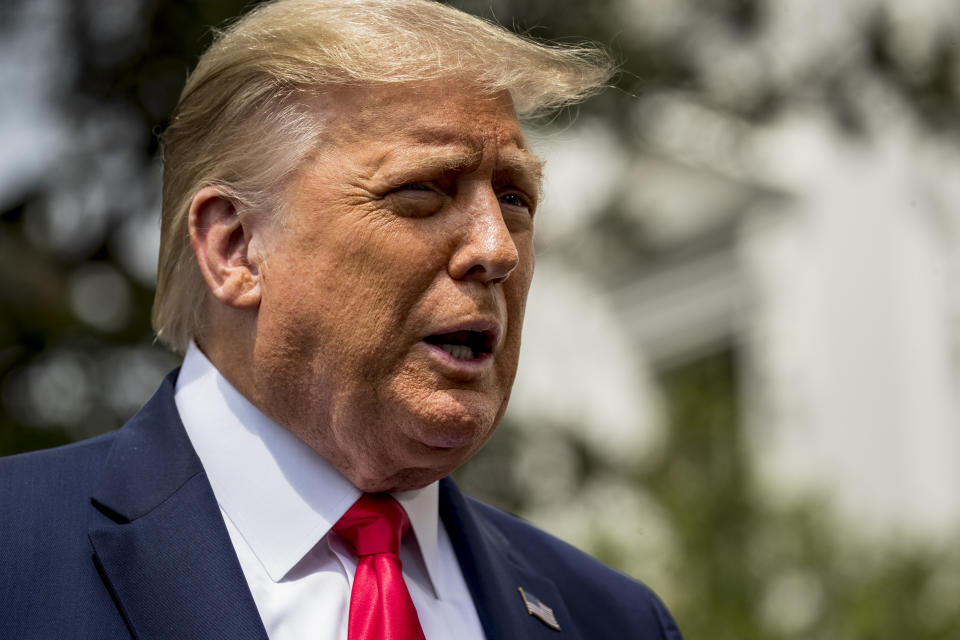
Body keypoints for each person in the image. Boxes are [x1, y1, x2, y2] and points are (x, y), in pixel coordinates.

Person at [0, 1, 683, 638]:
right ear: (235, 248)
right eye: (422, 190)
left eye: (514, 198)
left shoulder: (615, 619)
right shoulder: (18, 554)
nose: (496, 248)